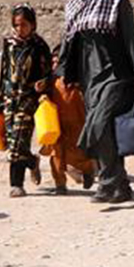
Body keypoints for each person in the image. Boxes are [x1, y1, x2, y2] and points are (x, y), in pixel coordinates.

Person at [57, 0, 134, 204]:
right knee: (107, 130)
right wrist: (62, 72)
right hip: (89, 78)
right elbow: (68, 41)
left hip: (117, 73)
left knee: (97, 124)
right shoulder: (73, 2)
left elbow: (130, 37)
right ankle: (121, 186)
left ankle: (107, 182)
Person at [0, 4, 52, 198]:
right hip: (10, 98)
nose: (20, 29)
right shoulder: (9, 44)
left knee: (19, 139)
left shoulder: (39, 45)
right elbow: (4, 72)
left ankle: (16, 185)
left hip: (29, 99)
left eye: (24, 25)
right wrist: (0, 99)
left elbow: (49, 73)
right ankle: (31, 162)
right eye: (17, 25)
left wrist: (44, 85)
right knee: (12, 144)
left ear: (33, 24)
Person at [39, 44, 96, 195]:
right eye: (53, 61)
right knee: (56, 154)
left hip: (77, 122)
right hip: (57, 124)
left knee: (79, 152)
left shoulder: (78, 80)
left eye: (59, 61)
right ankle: (60, 185)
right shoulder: (51, 80)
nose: (55, 65)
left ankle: (88, 171)